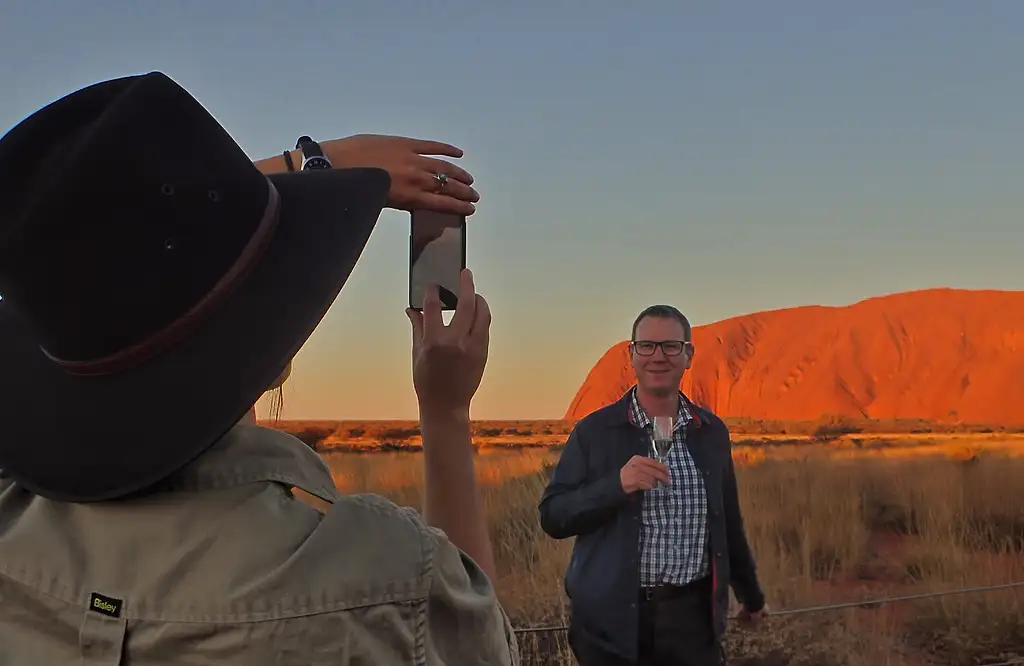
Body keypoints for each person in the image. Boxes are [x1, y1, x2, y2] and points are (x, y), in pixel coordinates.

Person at [0, 72, 518, 665]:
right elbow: (482, 642)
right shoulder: (382, 578)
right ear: (274, 361)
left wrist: (314, 166)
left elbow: (95, 253)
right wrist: (446, 411)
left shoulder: (10, 521)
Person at [538, 305, 768, 666]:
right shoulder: (595, 432)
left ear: (688, 355)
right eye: (646, 346)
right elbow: (553, 516)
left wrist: (751, 597)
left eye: (671, 346)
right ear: (631, 355)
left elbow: (728, 524)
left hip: (692, 624)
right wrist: (616, 485)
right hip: (612, 624)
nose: (658, 356)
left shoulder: (710, 434)